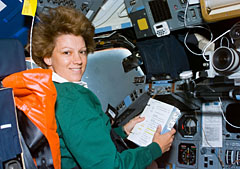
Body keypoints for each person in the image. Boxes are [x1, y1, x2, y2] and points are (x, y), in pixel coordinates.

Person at [28, 6, 176, 169]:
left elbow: (80, 140)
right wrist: (155, 149)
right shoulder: (72, 98)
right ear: (48, 57)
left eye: (82, 52)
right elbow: (108, 166)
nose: (78, 60)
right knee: (152, 165)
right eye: (67, 53)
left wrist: (122, 131)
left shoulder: (51, 90)